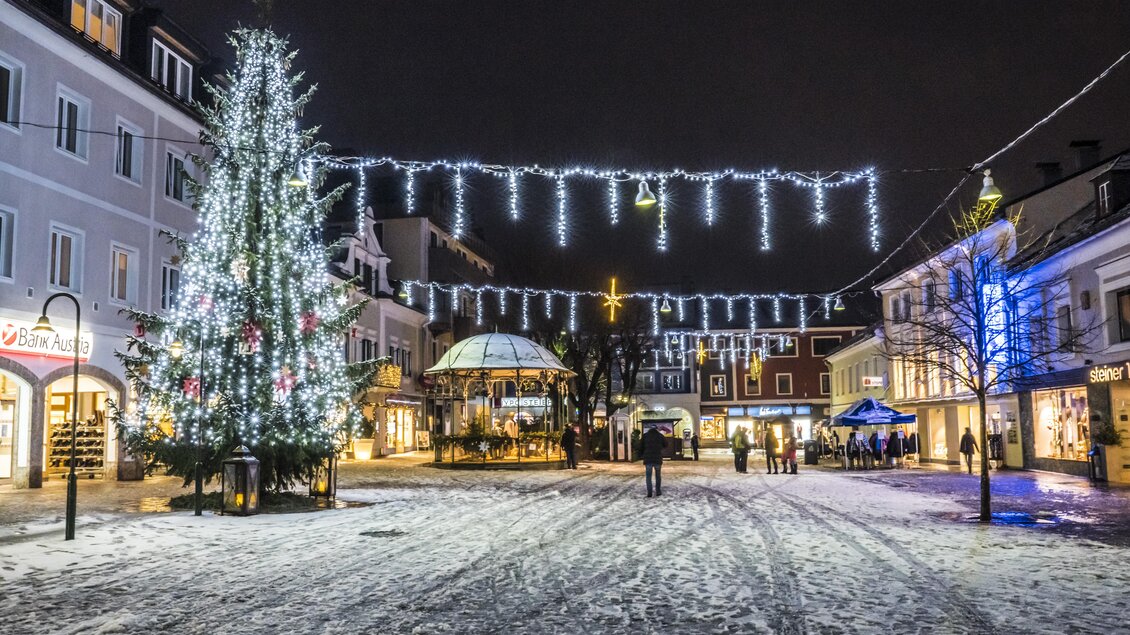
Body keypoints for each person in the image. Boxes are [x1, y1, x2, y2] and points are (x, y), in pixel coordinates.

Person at [642, 425, 666, 497]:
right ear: (656, 429)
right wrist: (660, 448)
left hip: (648, 459)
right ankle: (658, 491)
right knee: (658, 476)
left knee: (648, 476)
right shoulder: (660, 436)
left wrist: (642, 454)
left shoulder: (645, 436)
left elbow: (640, 446)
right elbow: (666, 444)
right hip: (657, 458)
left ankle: (649, 492)